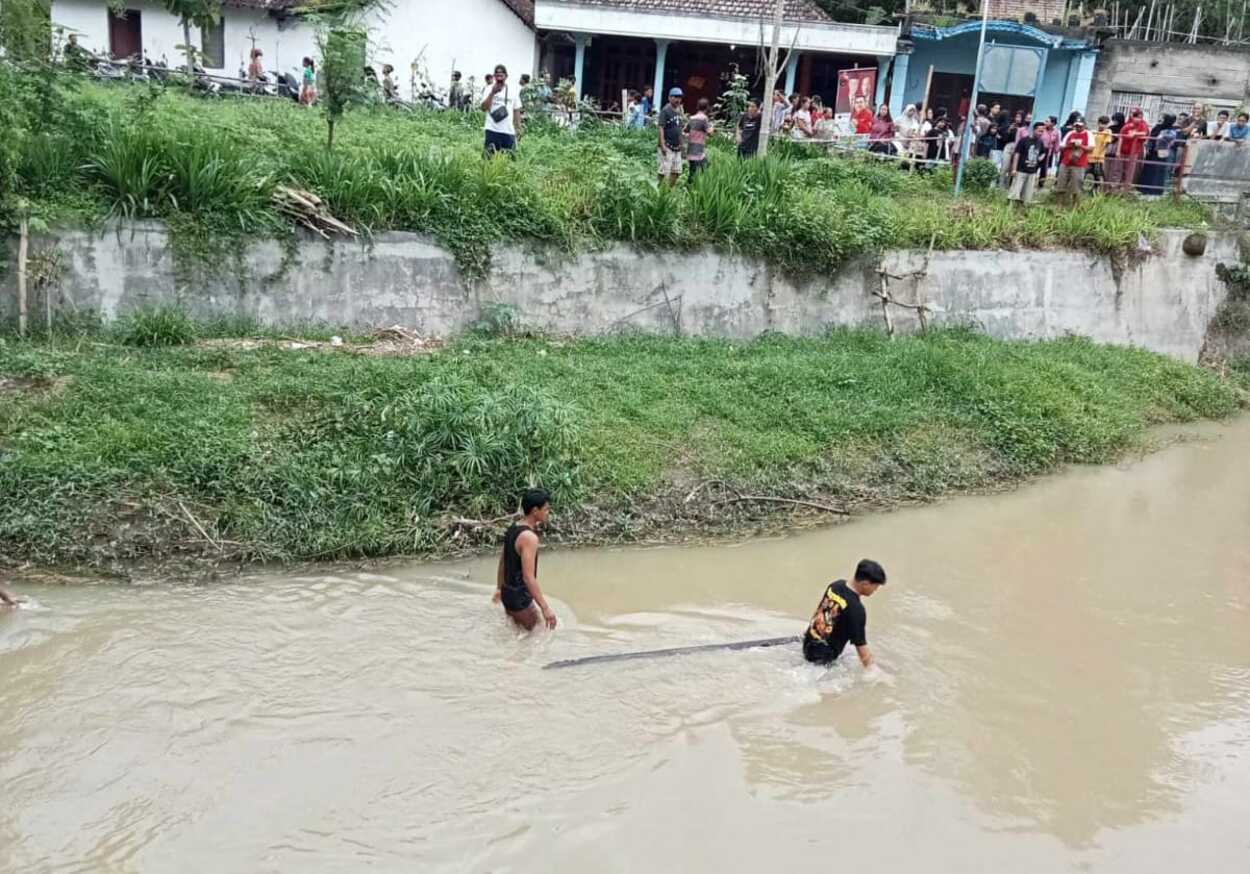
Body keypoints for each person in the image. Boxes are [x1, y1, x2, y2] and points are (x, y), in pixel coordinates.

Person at [801, 559, 887, 667]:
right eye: (875, 586)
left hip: (808, 642)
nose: (876, 590)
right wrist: (874, 672)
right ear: (865, 584)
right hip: (822, 659)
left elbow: (820, 609)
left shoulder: (835, 585)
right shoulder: (857, 610)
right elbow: (861, 648)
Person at [494, 489, 558, 631]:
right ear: (535, 510)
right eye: (546, 509)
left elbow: (502, 561)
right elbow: (528, 578)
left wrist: (499, 588)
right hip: (520, 599)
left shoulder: (513, 528)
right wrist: (545, 608)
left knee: (519, 633)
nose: (548, 513)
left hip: (507, 593)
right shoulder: (529, 538)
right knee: (536, 634)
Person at [481, 63, 521, 156]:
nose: (499, 78)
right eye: (497, 75)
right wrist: (492, 93)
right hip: (492, 130)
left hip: (508, 131)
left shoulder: (513, 90)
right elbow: (483, 108)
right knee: (488, 159)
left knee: (509, 159)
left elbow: (516, 109)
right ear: (494, 76)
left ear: (506, 76)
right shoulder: (488, 89)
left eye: (501, 75)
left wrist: (518, 127)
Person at [1008, 121, 1046, 207]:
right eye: (1039, 131)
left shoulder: (1040, 142)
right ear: (1034, 130)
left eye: (1042, 131)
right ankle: (1011, 206)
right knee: (1016, 190)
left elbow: (1043, 152)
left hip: (1032, 171)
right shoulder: (1024, 140)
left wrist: (1041, 157)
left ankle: (1022, 207)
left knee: (1027, 193)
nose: (1041, 133)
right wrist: (1014, 169)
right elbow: (1017, 154)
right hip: (1021, 169)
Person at [1055, 117, 1092, 206]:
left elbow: (1091, 148)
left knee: (1077, 186)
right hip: (1066, 162)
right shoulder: (1070, 133)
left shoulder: (1088, 134)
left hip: (1079, 164)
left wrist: (1081, 145)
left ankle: (1076, 206)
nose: (1078, 128)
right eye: (1076, 126)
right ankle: (1059, 205)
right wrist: (1070, 144)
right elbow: (1061, 146)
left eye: (1080, 126)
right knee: (1061, 183)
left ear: (1084, 125)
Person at [1137, 113, 1176, 195]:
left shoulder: (1171, 130)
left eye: (1164, 118)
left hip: (1162, 153)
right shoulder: (1158, 127)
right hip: (1152, 153)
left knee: (1159, 171)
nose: (1162, 120)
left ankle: (1156, 191)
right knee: (1149, 169)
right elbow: (1152, 137)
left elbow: (1169, 141)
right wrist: (1149, 147)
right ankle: (1144, 189)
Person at [657, 86, 685, 185]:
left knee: (676, 171)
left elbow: (680, 128)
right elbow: (661, 128)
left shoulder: (680, 111)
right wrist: (662, 145)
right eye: (675, 97)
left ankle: (669, 191)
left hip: (676, 146)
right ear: (669, 98)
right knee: (664, 171)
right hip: (667, 145)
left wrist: (682, 144)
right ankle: (660, 190)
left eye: (679, 97)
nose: (678, 99)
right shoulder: (665, 111)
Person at [1118, 108, 1151, 191]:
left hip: (1135, 150)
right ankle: (1120, 186)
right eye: (1132, 114)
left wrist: (1135, 133)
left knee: (1131, 169)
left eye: (1135, 114)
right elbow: (1121, 136)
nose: (1132, 116)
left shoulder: (1143, 124)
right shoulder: (1127, 124)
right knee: (1121, 169)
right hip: (1124, 149)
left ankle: (1127, 187)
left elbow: (1145, 133)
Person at [686, 97, 712, 180]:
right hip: (698, 150)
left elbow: (685, 130)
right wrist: (713, 129)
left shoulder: (691, 118)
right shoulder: (704, 118)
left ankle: (689, 188)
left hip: (690, 149)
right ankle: (698, 186)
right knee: (706, 167)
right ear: (707, 107)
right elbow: (710, 133)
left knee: (692, 171)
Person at [1088, 115, 1114, 193]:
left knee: (1098, 175)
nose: (1103, 125)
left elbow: (1106, 144)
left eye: (1105, 124)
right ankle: (1090, 190)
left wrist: (1099, 153)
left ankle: (1097, 191)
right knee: (1089, 173)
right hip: (1090, 156)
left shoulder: (1107, 132)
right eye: (1101, 123)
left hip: (1099, 157)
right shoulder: (1094, 132)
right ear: (1098, 123)